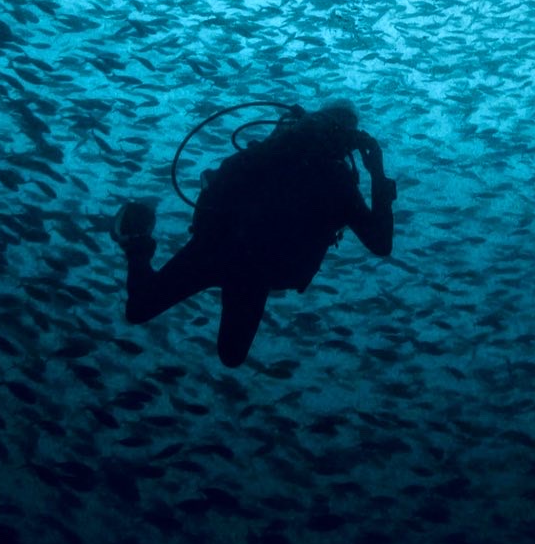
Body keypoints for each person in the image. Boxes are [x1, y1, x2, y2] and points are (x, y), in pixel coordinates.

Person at [111, 101, 396, 368]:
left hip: (220, 251)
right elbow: (381, 243)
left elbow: (222, 185)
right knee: (231, 355)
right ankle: (138, 246)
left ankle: (137, 244)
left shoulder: (276, 151)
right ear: (349, 141)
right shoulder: (337, 181)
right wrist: (377, 173)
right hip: (251, 266)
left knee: (141, 311)